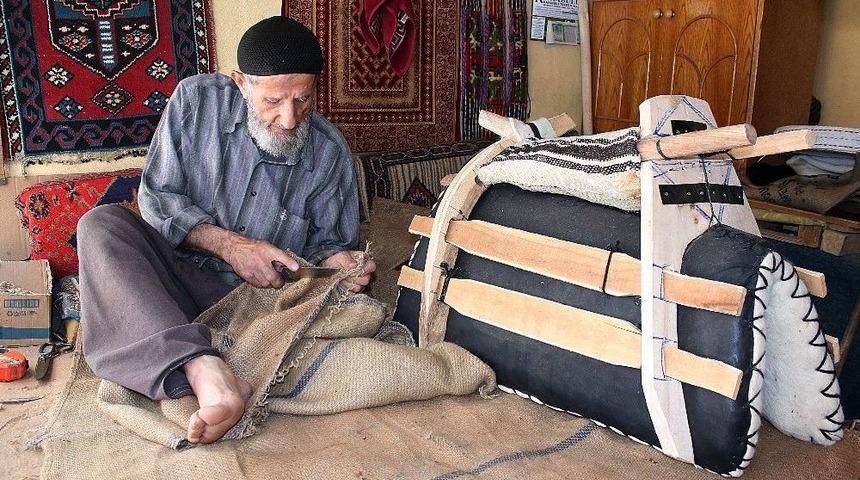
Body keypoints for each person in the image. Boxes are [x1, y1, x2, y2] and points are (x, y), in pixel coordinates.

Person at [77, 16, 375, 445]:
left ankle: (184, 349)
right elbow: (157, 199)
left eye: (303, 99)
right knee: (101, 225)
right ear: (240, 83)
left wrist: (341, 264)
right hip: (170, 277)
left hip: (250, 303)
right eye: (273, 101)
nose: (289, 119)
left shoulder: (329, 152)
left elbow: (330, 247)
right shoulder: (196, 102)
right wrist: (232, 246)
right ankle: (205, 366)